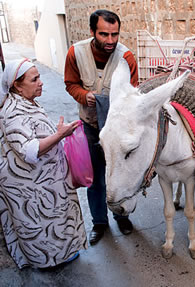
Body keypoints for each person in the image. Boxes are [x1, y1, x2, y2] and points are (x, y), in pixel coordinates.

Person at [0, 59, 87, 269]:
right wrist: (60, 135)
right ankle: (48, 262)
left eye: (40, 77)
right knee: (39, 223)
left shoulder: (27, 101)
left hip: (44, 179)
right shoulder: (11, 112)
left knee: (54, 219)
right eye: (35, 79)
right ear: (17, 86)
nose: (41, 83)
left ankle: (62, 254)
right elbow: (28, 151)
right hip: (28, 184)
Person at [64, 9, 139, 245]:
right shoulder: (75, 53)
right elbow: (70, 83)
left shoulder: (126, 58)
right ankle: (99, 222)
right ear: (92, 32)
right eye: (104, 34)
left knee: (118, 174)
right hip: (89, 125)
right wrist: (83, 95)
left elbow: (133, 94)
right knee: (95, 177)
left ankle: (121, 216)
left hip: (116, 128)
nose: (110, 41)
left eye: (115, 34)